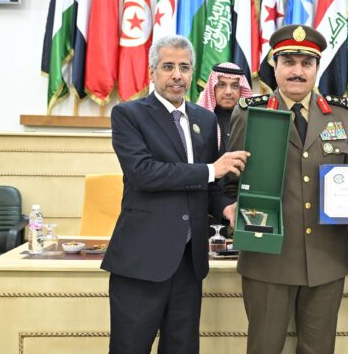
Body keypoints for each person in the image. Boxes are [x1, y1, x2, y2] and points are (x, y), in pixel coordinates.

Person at [102, 35, 249, 353]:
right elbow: (143, 173)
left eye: (184, 67)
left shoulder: (205, 119)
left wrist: (226, 207)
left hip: (189, 261)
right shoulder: (129, 114)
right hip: (143, 259)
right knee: (130, 346)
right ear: (152, 71)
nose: (177, 75)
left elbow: (210, 186)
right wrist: (211, 170)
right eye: (168, 67)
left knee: (182, 347)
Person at [226, 24, 348, 354]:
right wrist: (229, 205)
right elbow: (229, 182)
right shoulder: (251, 112)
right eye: (288, 62)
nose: (297, 71)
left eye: (306, 63)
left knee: (319, 350)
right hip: (266, 257)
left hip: (326, 258)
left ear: (317, 68)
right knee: (264, 348)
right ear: (274, 65)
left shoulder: (341, 114)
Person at [196, 61, 253, 155]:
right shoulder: (198, 119)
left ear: (241, 90)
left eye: (235, 86)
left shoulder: (250, 120)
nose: (228, 92)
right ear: (213, 88)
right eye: (221, 85)